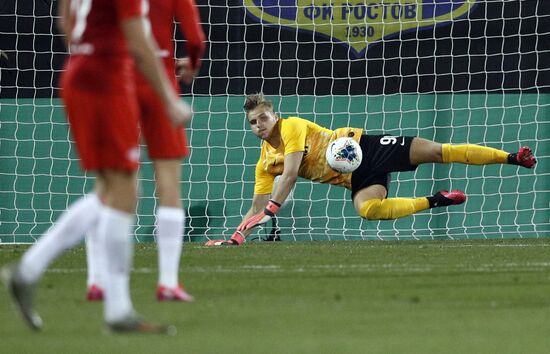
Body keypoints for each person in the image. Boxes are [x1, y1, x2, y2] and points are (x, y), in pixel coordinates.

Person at [1, 0, 190, 333]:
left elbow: (64, 18)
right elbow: (138, 41)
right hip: (106, 83)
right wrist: (169, 99)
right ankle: (111, 307)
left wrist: (86, 46)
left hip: (80, 74)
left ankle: (33, 272)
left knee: (113, 190)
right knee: (122, 192)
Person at [206, 93, 537, 245]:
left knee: (437, 151)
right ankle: (437, 200)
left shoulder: (291, 127)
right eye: (253, 122)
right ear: (250, 128)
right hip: (357, 177)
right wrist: (237, 236)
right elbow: (256, 206)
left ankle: (511, 157)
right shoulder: (265, 163)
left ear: (274, 115)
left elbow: (291, 174)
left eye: (264, 117)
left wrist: (273, 207)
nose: (260, 124)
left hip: (366, 147)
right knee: (368, 210)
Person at [85, 0, 205, 303]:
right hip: (160, 81)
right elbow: (195, 39)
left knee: (108, 184)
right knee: (168, 184)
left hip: (118, 79)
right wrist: (191, 63)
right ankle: (167, 282)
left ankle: (96, 280)